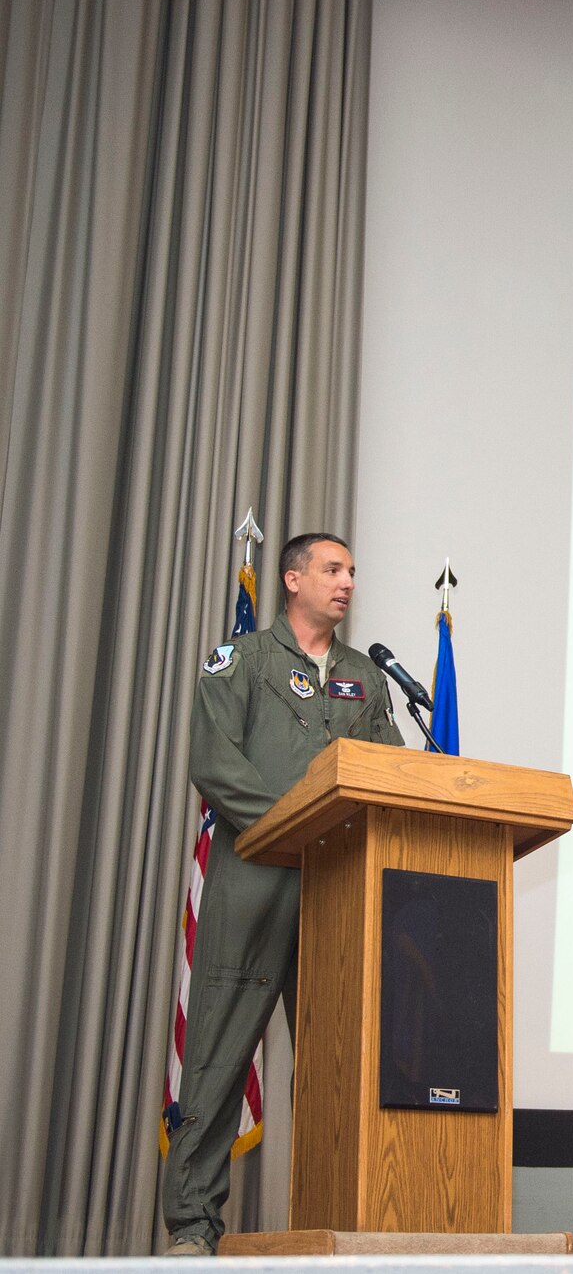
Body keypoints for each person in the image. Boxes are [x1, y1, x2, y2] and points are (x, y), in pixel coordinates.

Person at [163, 533, 404, 1255]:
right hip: (255, 874)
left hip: (335, 887)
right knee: (217, 1054)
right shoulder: (241, 661)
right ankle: (193, 1229)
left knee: (339, 1065)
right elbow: (213, 761)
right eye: (332, 570)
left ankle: (341, 1222)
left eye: (353, 572)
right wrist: (289, 821)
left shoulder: (366, 675)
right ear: (292, 578)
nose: (347, 583)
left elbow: (387, 766)